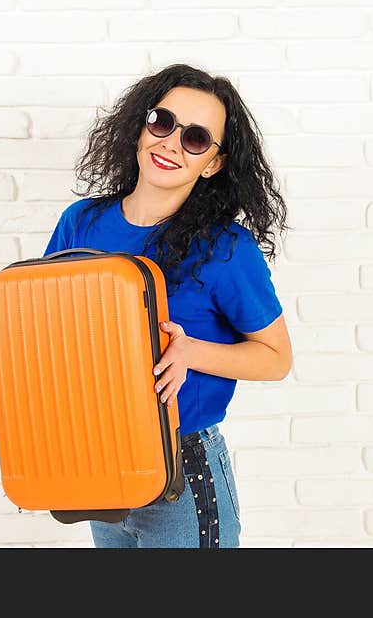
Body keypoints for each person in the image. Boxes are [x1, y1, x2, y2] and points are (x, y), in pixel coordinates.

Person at [41, 63, 293, 548]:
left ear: (213, 163)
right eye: (162, 122)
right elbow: (53, 323)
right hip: (99, 461)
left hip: (183, 471)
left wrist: (190, 352)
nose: (172, 143)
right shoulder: (81, 222)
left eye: (197, 138)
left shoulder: (226, 248)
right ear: (140, 126)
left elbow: (277, 358)